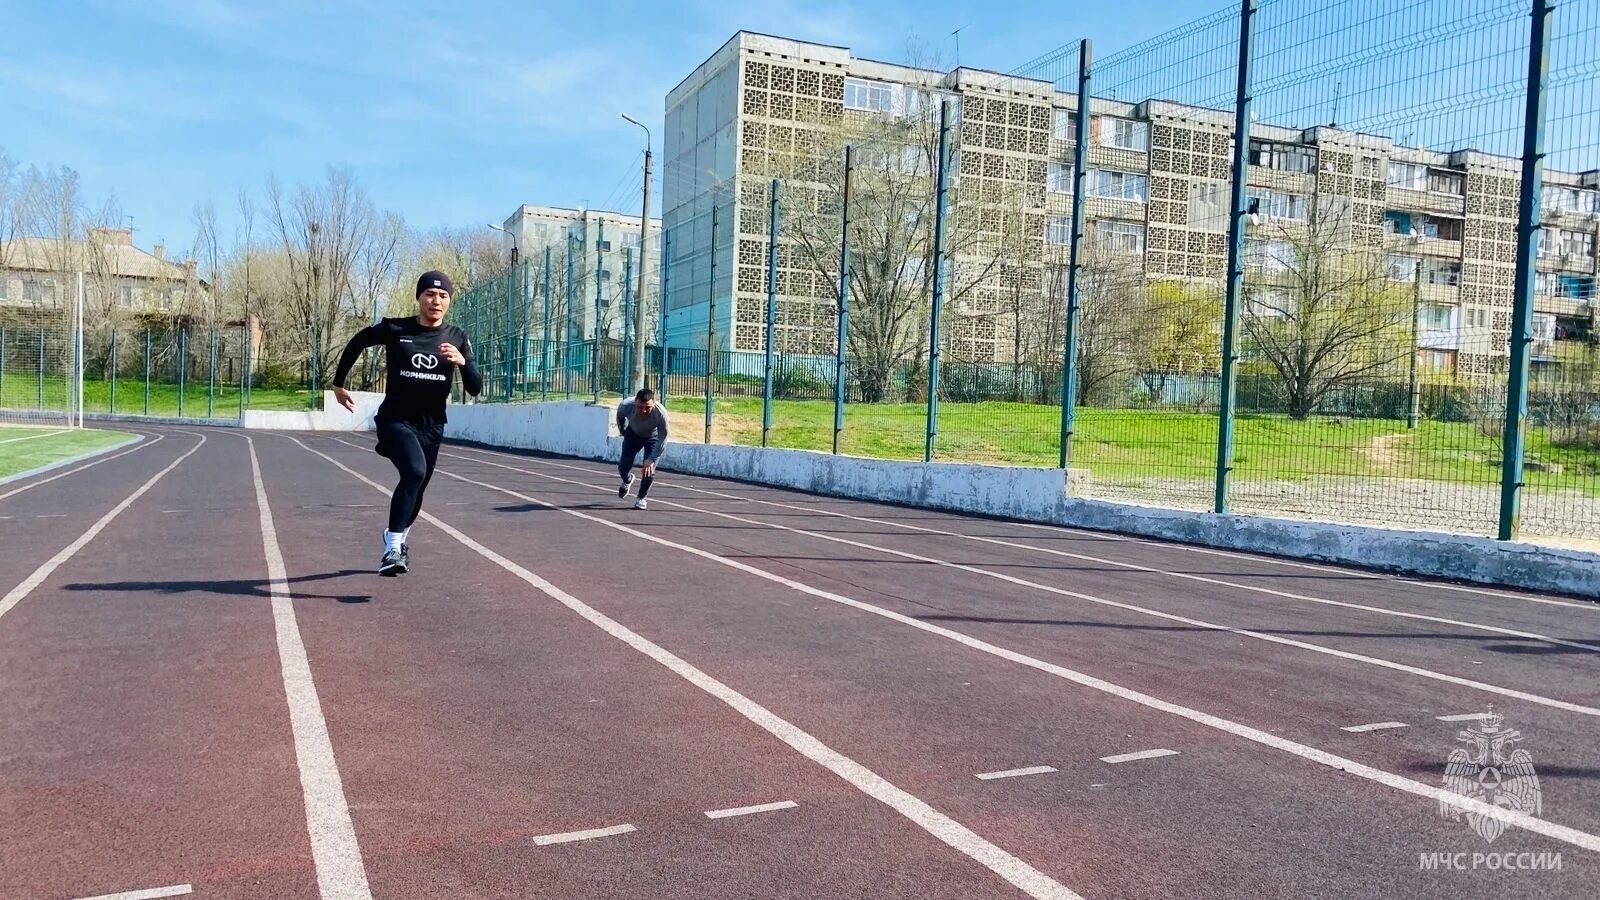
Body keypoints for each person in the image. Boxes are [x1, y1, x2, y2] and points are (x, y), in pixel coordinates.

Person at [332, 271, 482, 576]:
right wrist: (338, 383)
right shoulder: (395, 328)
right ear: (419, 297)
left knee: (418, 485)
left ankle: (396, 539)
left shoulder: (457, 338)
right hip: (396, 420)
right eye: (429, 294)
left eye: (443, 296)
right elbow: (357, 342)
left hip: (432, 426)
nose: (436, 300)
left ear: (449, 301)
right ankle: (392, 549)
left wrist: (462, 364)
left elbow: (476, 388)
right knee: (414, 471)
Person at [615, 388, 668, 510]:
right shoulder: (625, 405)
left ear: (654, 403)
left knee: (649, 470)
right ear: (635, 402)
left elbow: (663, 438)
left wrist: (651, 458)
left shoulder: (661, 414)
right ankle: (628, 480)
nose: (643, 411)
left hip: (652, 438)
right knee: (623, 467)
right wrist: (623, 431)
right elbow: (619, 417)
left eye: (648, 407)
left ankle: (641, 498)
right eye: (640, 407)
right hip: (633, 434)